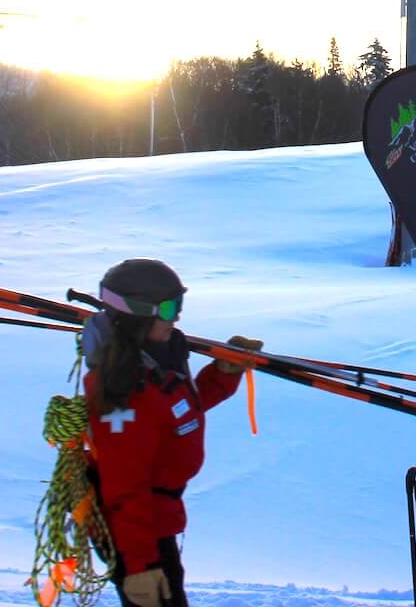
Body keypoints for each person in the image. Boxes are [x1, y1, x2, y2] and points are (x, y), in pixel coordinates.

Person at [80, 257, 261, 607]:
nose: (176, 317)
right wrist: (139, 567)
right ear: (137, 316)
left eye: (178, 305)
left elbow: (178, 413)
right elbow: (124, 487)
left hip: (156, 518)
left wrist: (223, 373)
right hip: (135, 528)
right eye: (167, 308)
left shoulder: (156, 360)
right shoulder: (125, 393)